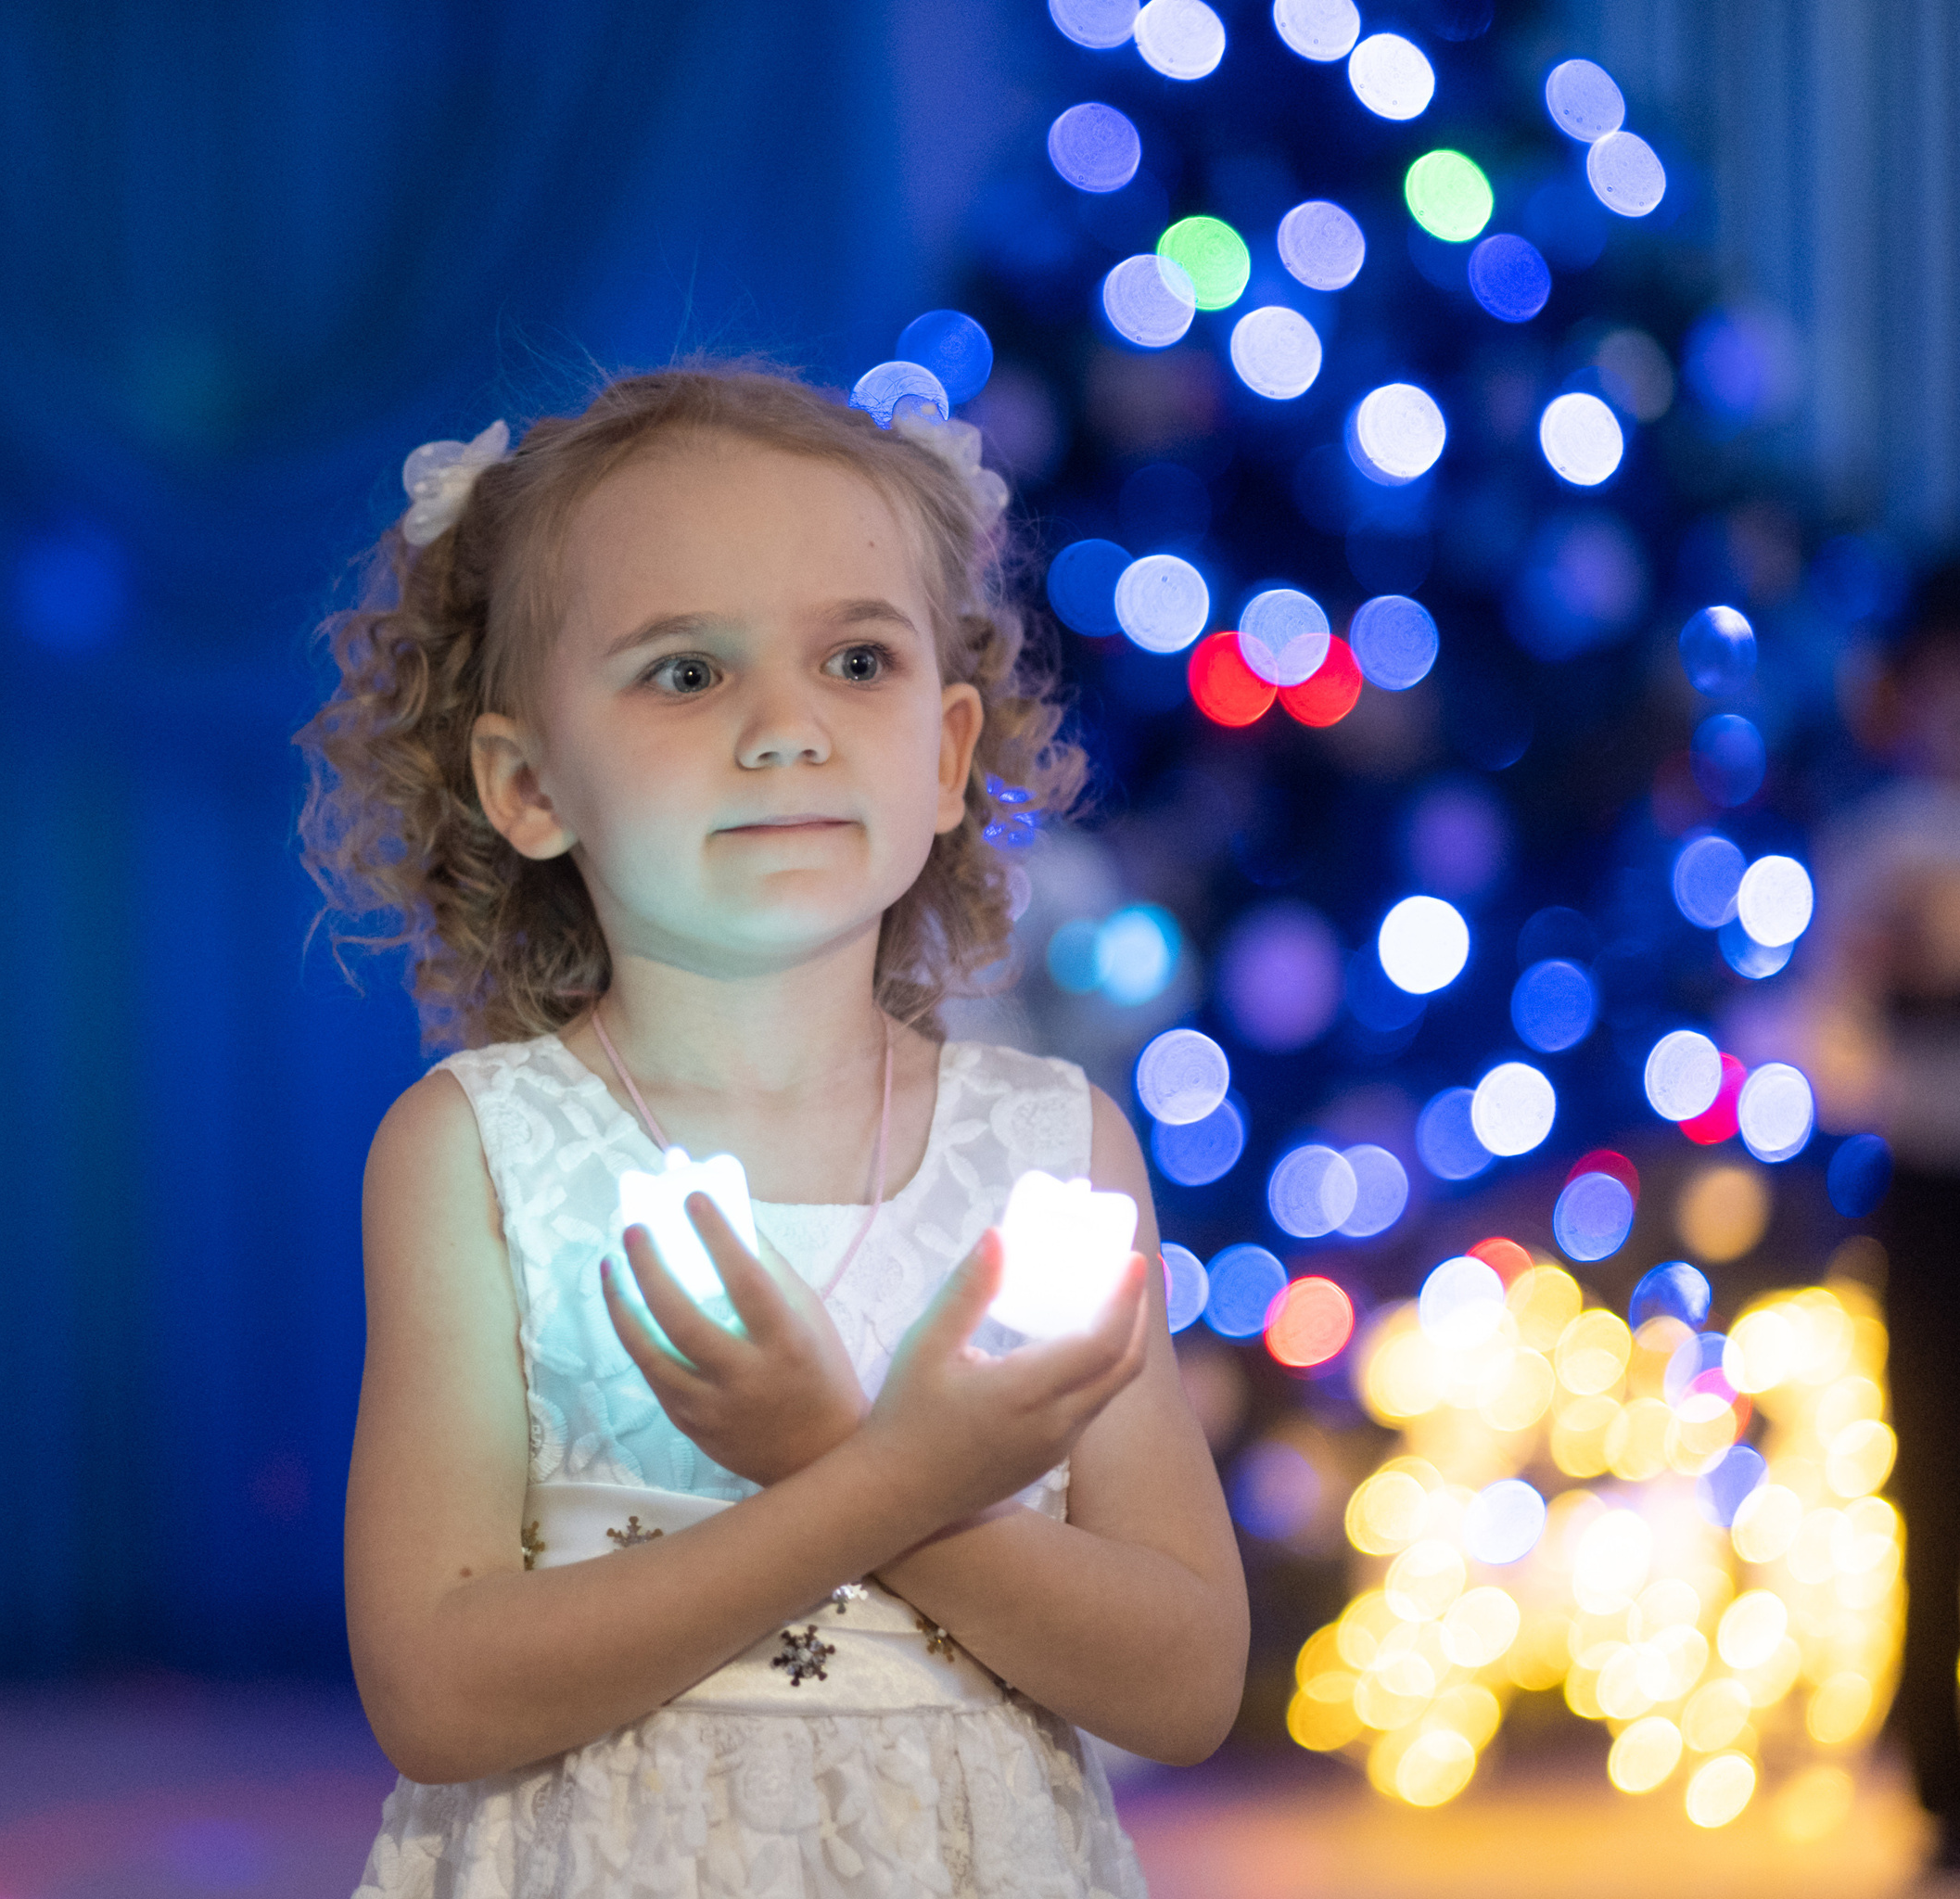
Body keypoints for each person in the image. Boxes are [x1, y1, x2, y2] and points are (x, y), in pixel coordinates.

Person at [296, 366, 1247, 1896]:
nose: (787, 728)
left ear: (946, 756)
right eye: (686, 674)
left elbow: (1186, 1681)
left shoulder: (1052, 1153)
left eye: (857, 660)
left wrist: (830, 1458)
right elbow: (438, 1687)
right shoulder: (474, 1153)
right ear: (530, 783)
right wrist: (885, 1478)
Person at [1806, 553, 1960, 1868]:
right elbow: (1822, 1038)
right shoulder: (1876, 848)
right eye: (1950, 690)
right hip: (1931, 1201)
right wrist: (1896, 1005)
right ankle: (1942, 1772)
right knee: (1932, 1484)